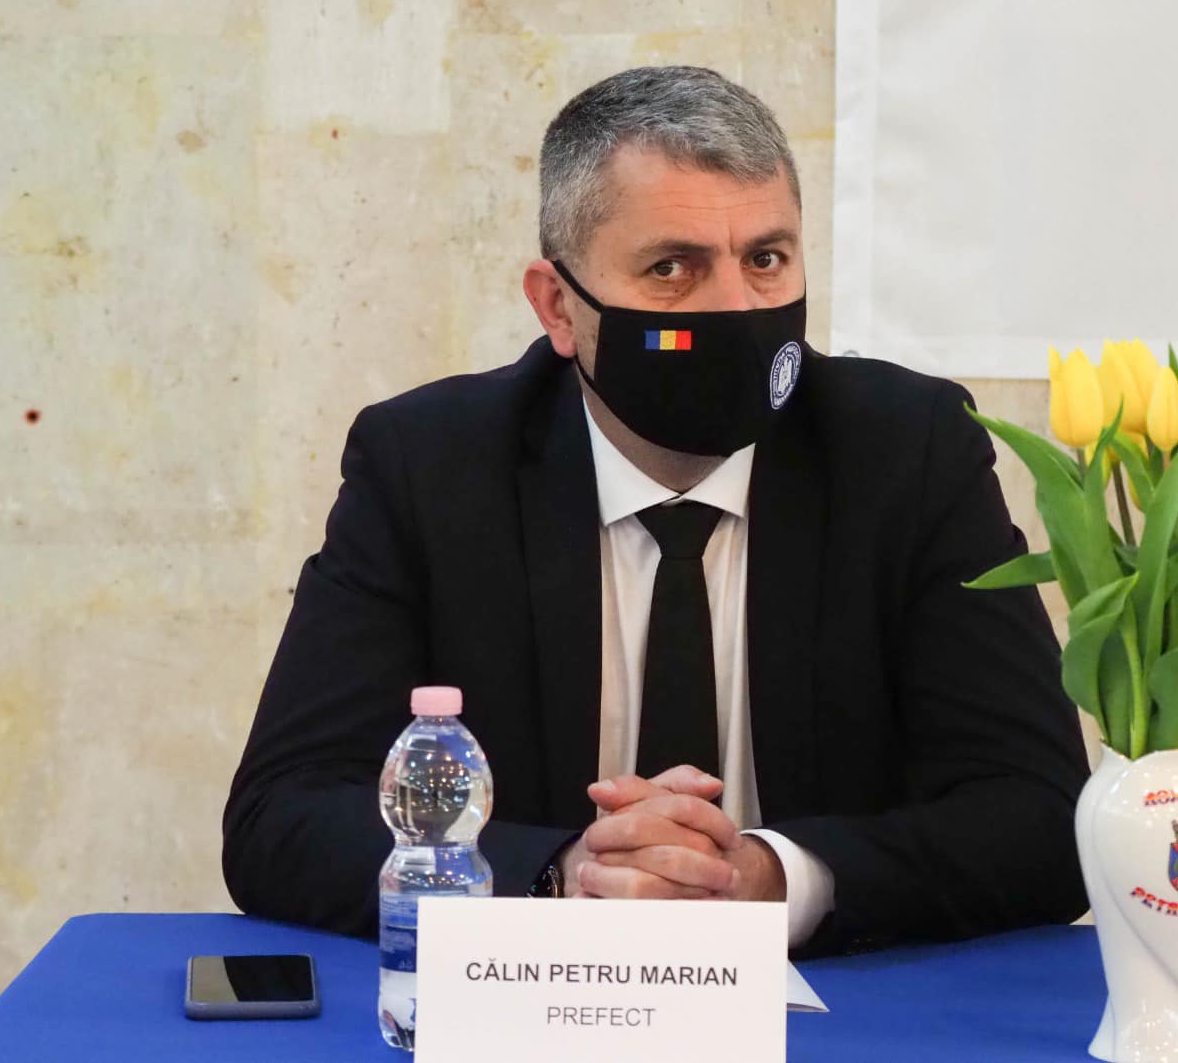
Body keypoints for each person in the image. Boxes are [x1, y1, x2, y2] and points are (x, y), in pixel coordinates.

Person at [223, 65, 1089, 957]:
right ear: (559, 307)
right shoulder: (431, 467)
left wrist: (773, 878)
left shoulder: (907, 453)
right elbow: (280, 816)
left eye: (766, 260)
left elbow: (1041, 814)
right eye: (673, 268)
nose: (736, 310)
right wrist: (567, 877)